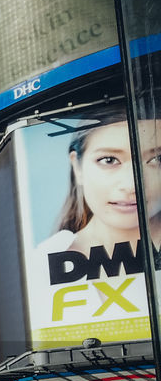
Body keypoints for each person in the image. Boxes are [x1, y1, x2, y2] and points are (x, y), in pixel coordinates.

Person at [29, 108, 161, 342]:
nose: (132, 184)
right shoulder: (38, 266)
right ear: (77, 166)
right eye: (109, 160)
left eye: (156, 159)